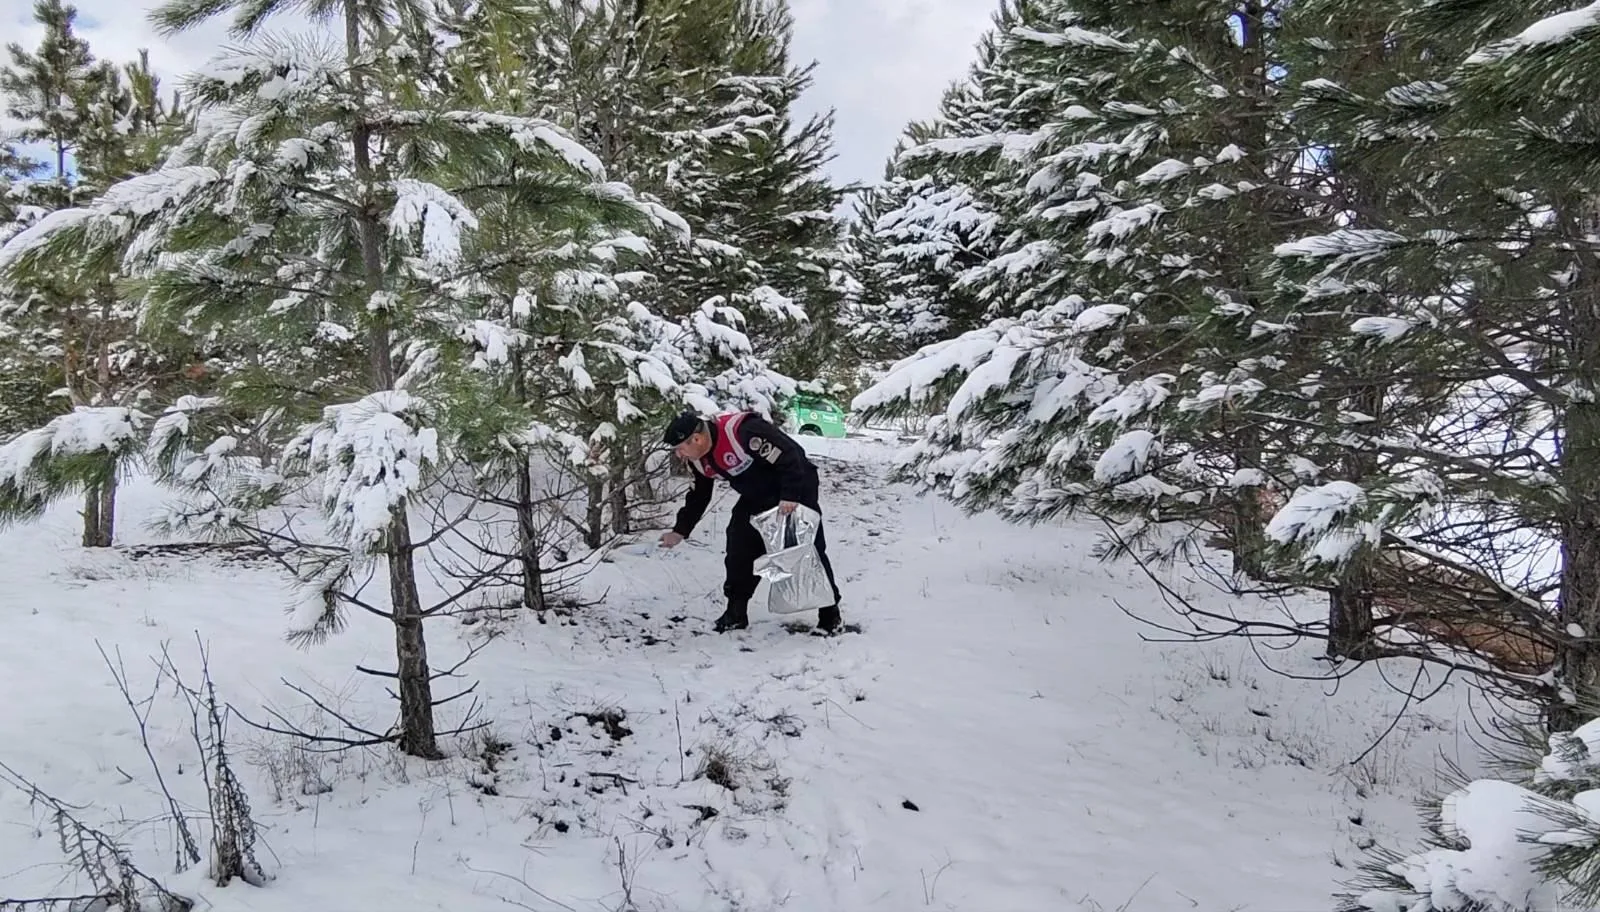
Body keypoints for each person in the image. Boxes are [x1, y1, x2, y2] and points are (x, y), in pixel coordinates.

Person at [658, 408, 843, 634]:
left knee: (805, 551)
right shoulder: (698, 459)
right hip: (756, 495)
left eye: (680, 448)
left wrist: (790, 496)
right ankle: (736, 613)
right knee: (739, 545)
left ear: (696, 438)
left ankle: (830, 616)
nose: (679, 455)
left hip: (795, 484)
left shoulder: (743, 431)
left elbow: (791, 455)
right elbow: (699, 495)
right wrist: (680, 530)